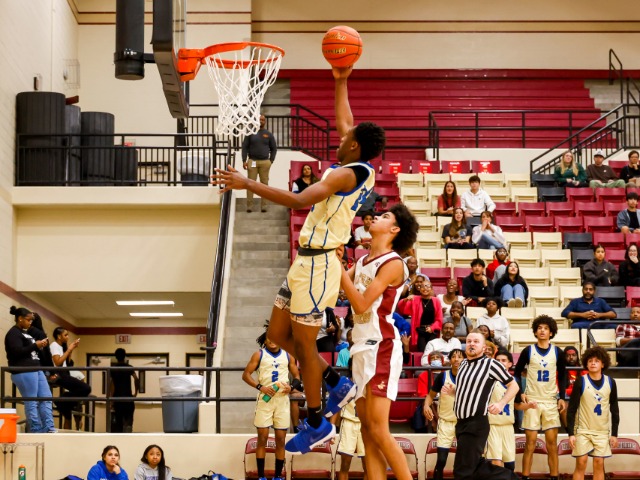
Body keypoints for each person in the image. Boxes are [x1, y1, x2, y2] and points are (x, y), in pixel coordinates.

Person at [211, 66, 386, 453]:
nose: (340, 136)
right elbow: (346, 120)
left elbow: (297, 200)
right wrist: (341, 79)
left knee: (305, 348)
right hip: (304, 263)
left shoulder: (344, 176)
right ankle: (336, 383)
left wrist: (247, 183)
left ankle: (317, 423)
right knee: (274, 338)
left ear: (355, 147)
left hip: (319, 266)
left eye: (347, 138)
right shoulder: (358, 163)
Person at [339, 203, 418, 480]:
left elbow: (360, 304)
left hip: (381, 345)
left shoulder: (393, 263)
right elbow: (339, 289)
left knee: (378, 429)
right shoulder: (362, 260)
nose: (376, 217)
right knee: (366, 430)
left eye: (385, 216)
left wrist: (338, 268)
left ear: (394, 229)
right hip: (361, 346)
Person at [451, 331, 520, 480]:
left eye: (476, 341)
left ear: (484, 347)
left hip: (476, 423)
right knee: (474, 466)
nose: (471, 344)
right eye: (469, 341)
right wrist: (453, 391)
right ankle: (509, 477)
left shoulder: (491, 364)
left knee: (462, 471)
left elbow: (514, 386)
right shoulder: (463, 364)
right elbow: (467, 389)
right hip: (461, 423)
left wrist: (501, 403)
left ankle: (511, 477)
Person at [242, 328, 300, 480]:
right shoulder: (259, 354)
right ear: (265, 339)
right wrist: (260, 387)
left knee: (280, 439)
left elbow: (297, 376)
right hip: (265, 399)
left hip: (282, 401)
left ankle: (278, 476)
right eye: (269, 337)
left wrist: (291, 387)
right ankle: (261, 476)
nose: (272, 340)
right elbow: (245, 375)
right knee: (262, 438)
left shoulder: (288, 355)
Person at [514, 316, 567, 480]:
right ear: (535, 331)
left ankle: (554, 476)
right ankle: (525, 476)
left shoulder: (558, 352)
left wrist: (562, 397)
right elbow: (516, 372)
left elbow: (563, 375)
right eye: (539, 328)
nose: (542, 331)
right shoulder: (528, 351)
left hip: (550, 400)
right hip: (533, 401)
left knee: (552, 443)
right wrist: (520, 392)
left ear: (551, 332)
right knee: (530, 443)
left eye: (546, 328)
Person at [567, 346, 620, 480]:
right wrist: (571, 433)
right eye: (590, 361)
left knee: (599, 463)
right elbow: (572, 409)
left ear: (603, 364)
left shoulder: (610, 382)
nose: (593, 363)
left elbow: (614, 409)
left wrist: (614, 434)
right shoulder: (581, 381)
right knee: (581, 462)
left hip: (601, 431)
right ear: (586, 364)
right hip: (583, 430)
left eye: (596, 361)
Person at [4, 306, 55, 433]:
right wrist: (35, 345)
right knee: (32, 401)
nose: (30, 322)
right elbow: (16, 352)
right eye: (28, 320)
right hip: (23, 370)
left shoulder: (25, 332)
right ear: (20, 319)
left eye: (31, 320)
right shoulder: (13, 333)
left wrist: (39, 346)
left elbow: (29, 350)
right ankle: (35, 429)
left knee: (46, 397)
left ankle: (48, 427)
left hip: (36, 367)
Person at [486, 351, 535, 472]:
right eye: (497, 361)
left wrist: (528, 406)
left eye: (503, 360)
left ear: (510, 364)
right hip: (492, 425)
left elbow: (517, 405)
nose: (500, 363)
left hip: (508, 426)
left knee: (510, 465)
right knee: (496, 463)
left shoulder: (514, 382)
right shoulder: (488, 380)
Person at [422, 348, 465, 480]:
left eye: (460, 357)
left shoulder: (469, 377)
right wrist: (426, 406)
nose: (456, 359)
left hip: (463, 422)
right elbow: (430, 396)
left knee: (463, 461)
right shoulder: (442, 377)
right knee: (441, 460)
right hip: (446, 422)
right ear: (449, 360)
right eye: (454, 357)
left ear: (464, 360)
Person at [50, 327, 91, 430]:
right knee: (86, 388)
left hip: (65, 372)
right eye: (65, 335)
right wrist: (69, 349)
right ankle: (62, 400)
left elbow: (67, 363)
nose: (68, 337)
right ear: (59, 336)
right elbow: (57, 362)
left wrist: (71, 350)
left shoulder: (62, 346)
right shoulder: (54, 345)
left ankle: (63, 399)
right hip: (59, 373)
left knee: (81, 391)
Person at [241, 114, 277, 212]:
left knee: (264, 185)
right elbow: (244, 147)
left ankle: (264, 206)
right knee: (250, 184)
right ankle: (249, 206)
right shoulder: (250, 133)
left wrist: (271, 160)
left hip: (265, 162)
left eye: (263, 120)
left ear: (265, 122)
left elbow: (274, 148)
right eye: (259, 119)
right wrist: (244, 160)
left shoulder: (268, 134)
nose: (261, 121)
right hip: (252, 161)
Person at [396, 280, 443, 352]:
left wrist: (432, 327)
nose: (425, 288)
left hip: (432, 330)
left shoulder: (436, 301)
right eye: (422, 286)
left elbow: (439, 319)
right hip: (419, 331)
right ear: (420, 289)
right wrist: (405, 300)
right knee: (422, 351)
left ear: (431, 289)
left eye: (427, 286)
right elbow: (402, 309)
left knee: (432, 351)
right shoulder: (415, 299)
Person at [109, 348, 139, 433]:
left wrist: (111, 400)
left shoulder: (113, 369)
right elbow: (136, 379)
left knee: (118, 423)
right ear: (124, 356)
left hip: (117, 399)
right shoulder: (129, 367)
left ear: (116, 357)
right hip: (128, 398)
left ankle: (120, 437)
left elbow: (111, 384)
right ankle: (128, 436)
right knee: (129, 422)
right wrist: (135, 393)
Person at [561, 346, 582, 429]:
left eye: (573, 355)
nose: (571, 358)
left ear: (577, 356)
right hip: (566, 396)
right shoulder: (560, 370)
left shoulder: (583, 369)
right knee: (562, 399)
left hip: (579, 395)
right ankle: (569, 429)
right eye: (568, 355)